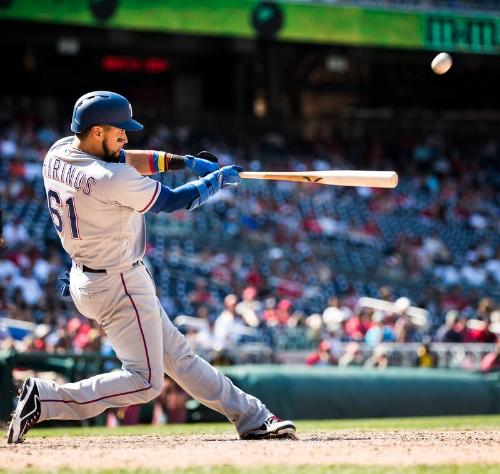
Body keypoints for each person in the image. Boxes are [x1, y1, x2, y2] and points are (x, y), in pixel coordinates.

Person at [7, 91, 295, 443]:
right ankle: (47, 399)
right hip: (119, 282)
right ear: (97, 131)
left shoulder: (60, 151)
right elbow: (174, 200)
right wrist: (213, 182)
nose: (126, 136)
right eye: (119, 130)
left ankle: (253, 416)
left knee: (180, 358)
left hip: (88, 276)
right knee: (145, 382)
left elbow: (125, 158)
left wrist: (183, 161)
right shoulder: (107, 178)